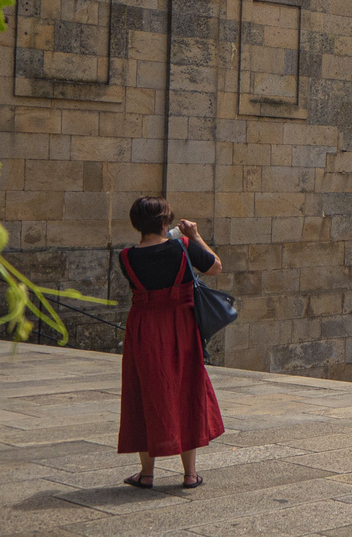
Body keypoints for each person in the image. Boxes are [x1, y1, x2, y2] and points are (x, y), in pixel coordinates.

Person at [118, 196, 226, 490]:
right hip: (181, 327)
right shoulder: (183, 247)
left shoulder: (126, 256)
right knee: (186, 390)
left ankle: (147, 474)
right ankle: (190, 474)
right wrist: (195, 235)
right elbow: (215, 267)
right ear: (166, 222)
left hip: (143, 329)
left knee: (144, 393)